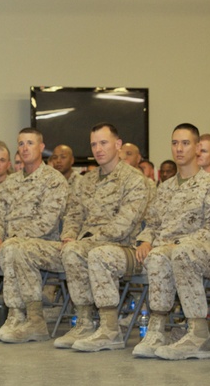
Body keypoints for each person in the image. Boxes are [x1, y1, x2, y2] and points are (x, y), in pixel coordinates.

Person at [129, 123, 210, 361]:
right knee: (157, 255)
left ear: (198, 147)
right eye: (175, 143)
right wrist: (146, 241)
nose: (179, 149)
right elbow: (152, 223)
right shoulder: (166, 187)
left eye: (186, 143)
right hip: (170, 251)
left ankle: (200, 336)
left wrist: (177, 244)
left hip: (208, 250)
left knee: (181, 253)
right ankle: (157, 329)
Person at [56, 123, 148, 352]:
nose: (98, 149)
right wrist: (69, 236)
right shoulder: (85, 181)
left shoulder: (134, 180)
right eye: (94, 144)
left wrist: (87, 239)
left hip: (127, 249)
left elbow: (123, 226)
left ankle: (110, 329)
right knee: (71, 250)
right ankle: (85, 323)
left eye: (103, 143)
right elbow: (73, 214)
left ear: (117, 145)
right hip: (91, 245)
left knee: (97, 253)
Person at [0, 128, 70, 343]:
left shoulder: (53, 180)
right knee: (12, 247)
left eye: (30, 143)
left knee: (16, 247)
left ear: (41, 148)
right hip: (14, 244)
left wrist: (12, 238)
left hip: (47, 245)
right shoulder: (11, 182)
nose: (25, 148)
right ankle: (16, 316)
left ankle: (35, 321)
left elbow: (47, 221)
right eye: (21, 144)